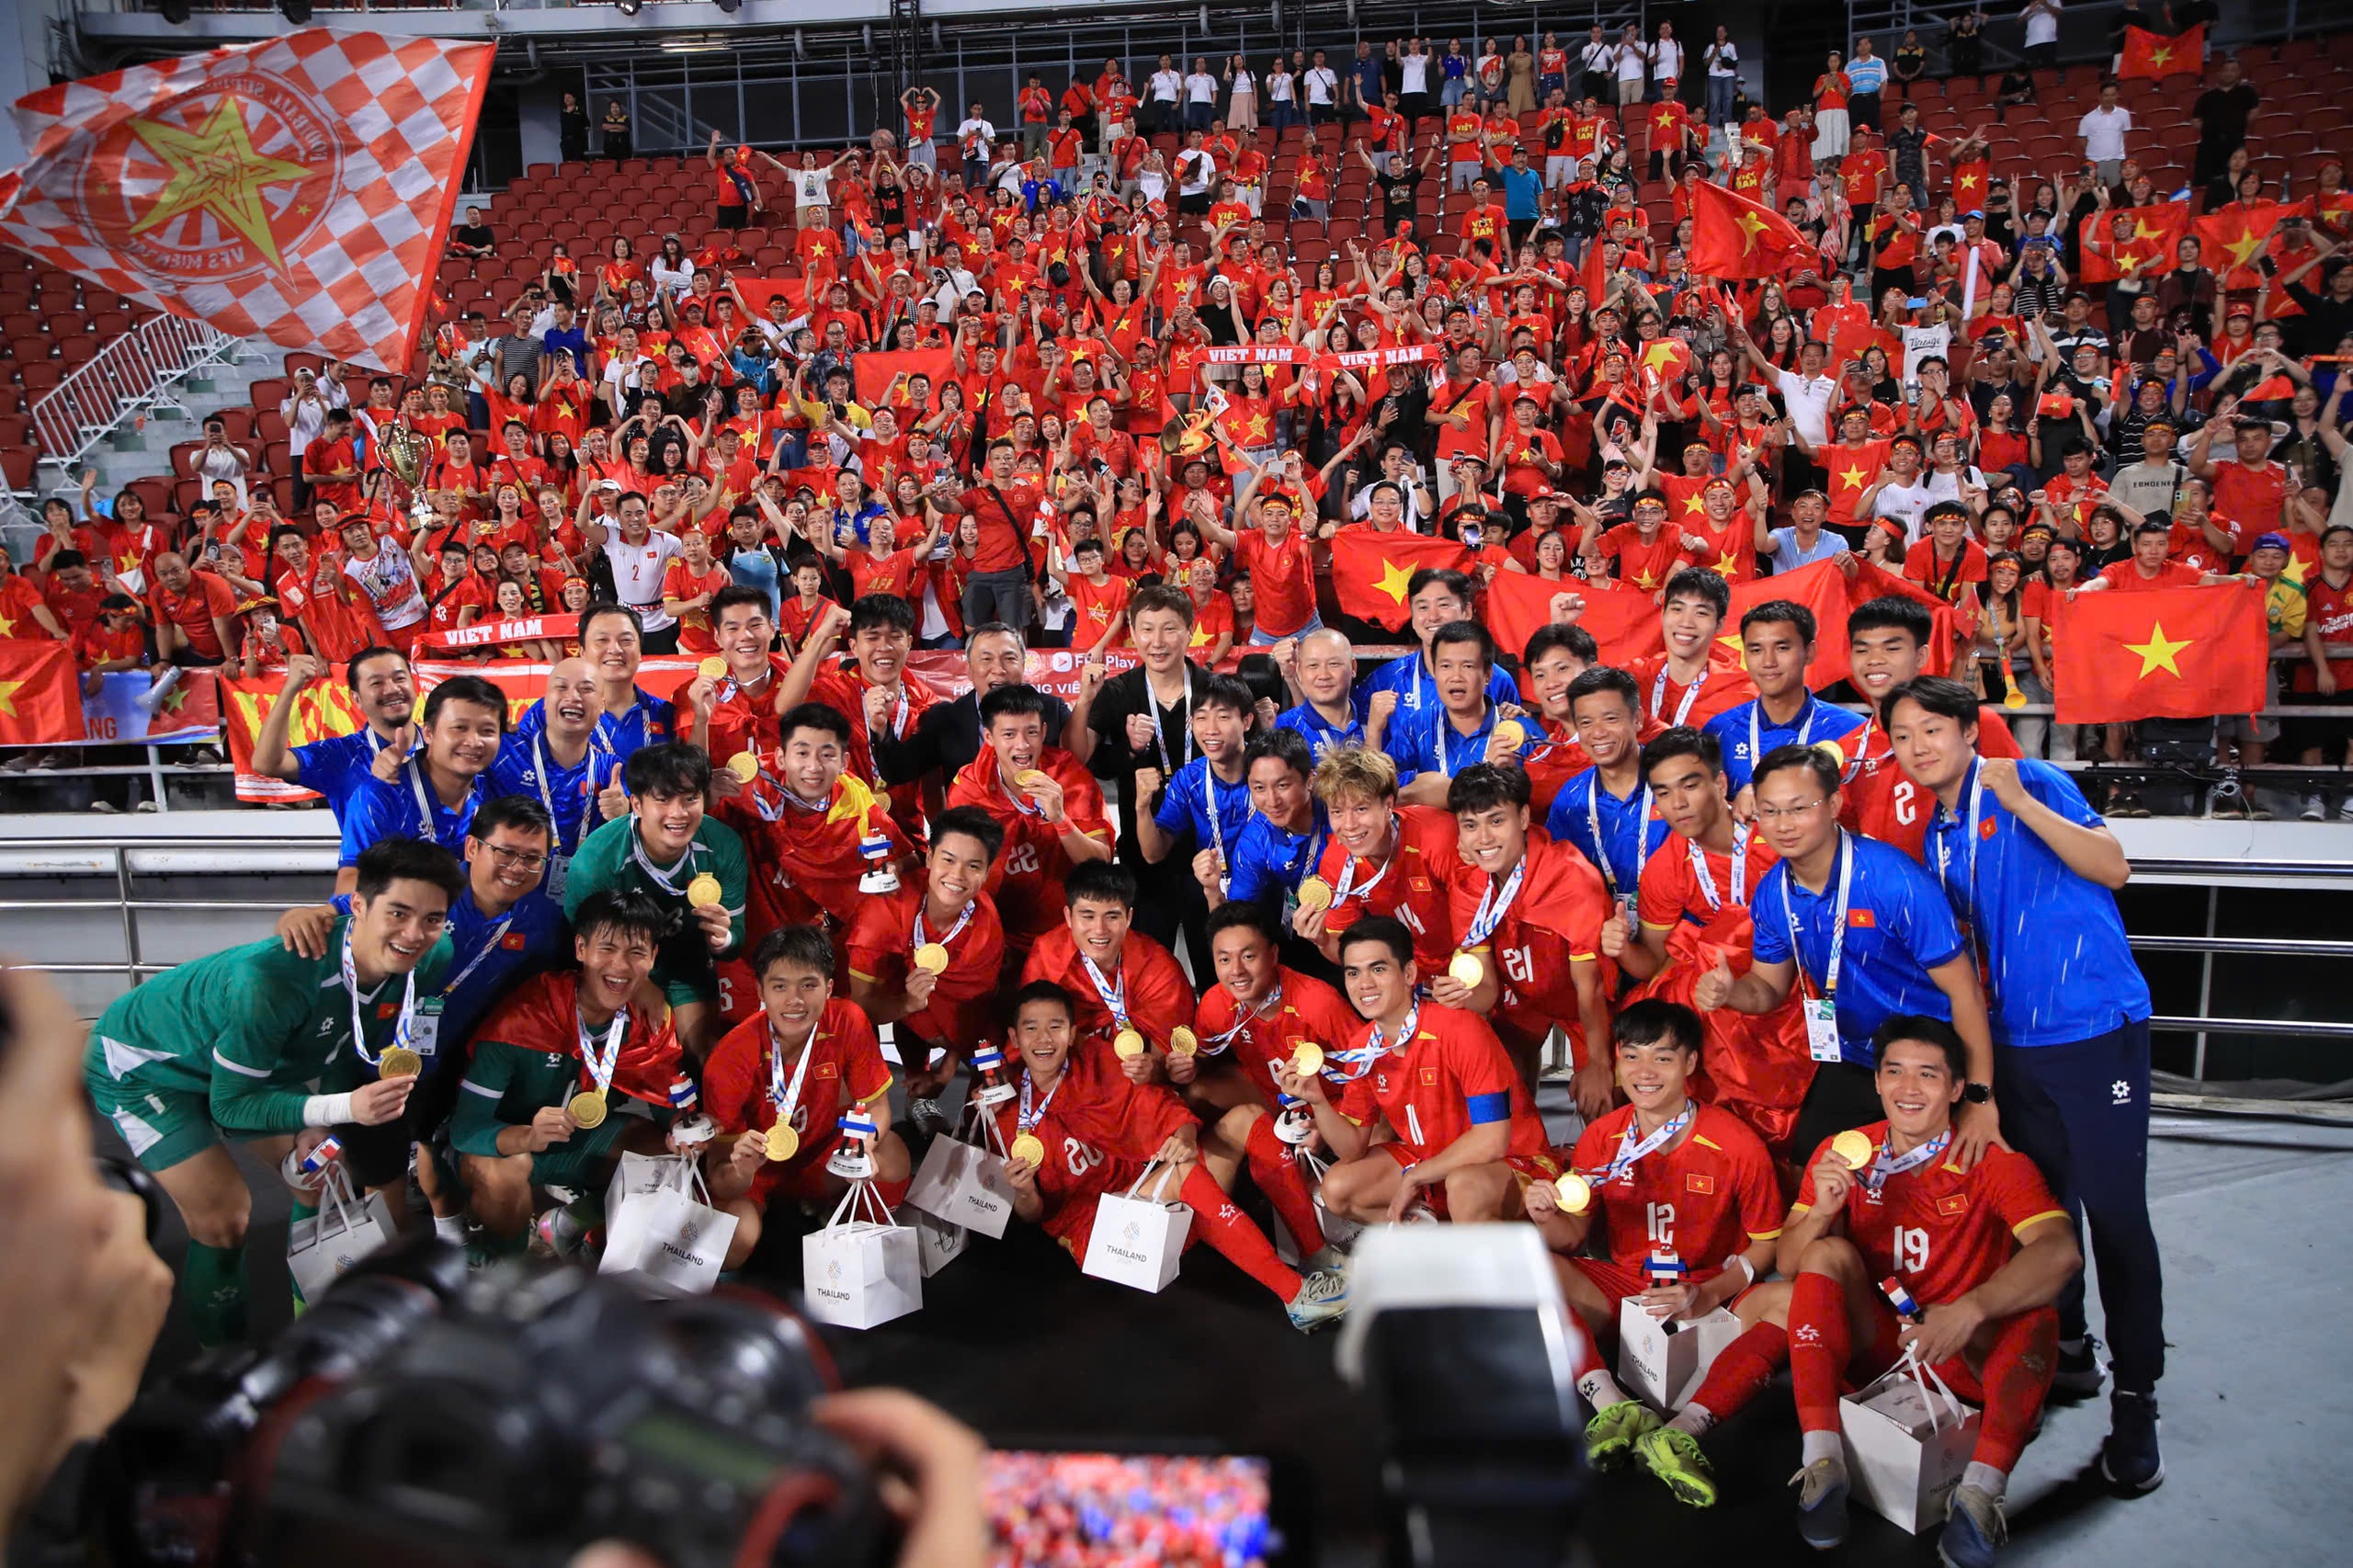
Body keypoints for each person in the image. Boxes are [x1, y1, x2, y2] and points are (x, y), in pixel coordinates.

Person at [1884, 676, 2165, 1489]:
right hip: (2015, 1044)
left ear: (1969, 731)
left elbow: (2113, 868)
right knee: (2043, 1212)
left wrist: (2020, 802)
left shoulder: (2029, 779)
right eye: (1902, 736)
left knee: (2116, 1217)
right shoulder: (1937, 834)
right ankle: (2068, 1350)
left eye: (1932, 729)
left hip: (2093, 1032)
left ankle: (2137, 1400)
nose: (1918, 748)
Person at [81, 839, 460, 1345]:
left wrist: (320, 1125)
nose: (414, 934)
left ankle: (314, 1340)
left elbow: (353, 1044)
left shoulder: (429, 960)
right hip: (147, 1068)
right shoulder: (274, 978)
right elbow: (231, 1106)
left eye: (432, 919)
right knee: (224, 1218)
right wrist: (343, 1107)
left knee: (321, 1177)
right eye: (398, 913)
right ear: (359, 905)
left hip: (254, 1064)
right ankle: (221, 1362)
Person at [1779, 1016, 2080, 1562]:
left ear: (1957, 1088)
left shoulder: (1993, 1161)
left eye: (1928, 1074)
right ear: (1876, 1081)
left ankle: (1981, 1493)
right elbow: (1788, 1262)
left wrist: (1969, 1309)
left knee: (2039, 1311)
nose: (1908, 1088)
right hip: (1880, 1346)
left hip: (1958, 1353)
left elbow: (2061, 1252)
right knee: (1824, 1253)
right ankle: (1823, 1461)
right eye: (1895, 1071)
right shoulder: (1844, 1151)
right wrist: (1820, 1212)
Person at [1526, 1000, 1793, 1508]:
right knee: (1529, 1268)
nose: (1644, 1072)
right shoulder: (1603, 1136)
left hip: (1711, 1290)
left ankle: (1684, 1430)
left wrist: (1709, 1292)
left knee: (1794, 1300)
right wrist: (1546, 1217)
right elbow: (1573, 1237)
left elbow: (1768, 1242)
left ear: (1690, 1063)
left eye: (1662, 1058)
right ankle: (1613, 1405)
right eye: (1632, 1057)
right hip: (1630, 1288)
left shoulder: (1736, 1143)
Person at [1696, 744, 2001, 1164]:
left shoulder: (1893, 880)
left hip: (1929, 1057)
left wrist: (1979, 1096)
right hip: (1854, 1054)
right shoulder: (1773, 892)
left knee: (1941, 1175)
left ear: (1835, 805)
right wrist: (1729, 992)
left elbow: (1965, 992)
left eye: (1799, 808)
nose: (1783, 824)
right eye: (1770, 811)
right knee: (1811, 1168)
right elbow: (1768, 988)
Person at [994, 980, 1347, 1331]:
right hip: (1106, 1239)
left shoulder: (1095, 1061)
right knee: (1181, 1173)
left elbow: (1155, 1102)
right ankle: (1298, 1296)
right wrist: (1024, 1192)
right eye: (1031, 1028)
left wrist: (1184, 1134)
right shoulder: (1005, 1111)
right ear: (1014, 1038)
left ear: (1072, 1034)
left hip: (1147, 1192)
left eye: (1055, 1026)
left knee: (1249, 1118)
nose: (1044, 1039)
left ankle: (1315, 1253)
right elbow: (1034, 1214)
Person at [1606, 728, 1813, 1153]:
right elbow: (1653, 963)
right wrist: (1623, 948)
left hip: (1797, 980)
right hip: (1721, 990)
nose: (1678, 803)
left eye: (1690, 785)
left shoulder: (1774, 836)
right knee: (1660, 1001)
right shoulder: (1666, 866)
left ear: (1720, 783)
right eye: (1663, 793)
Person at [451, 890, 692, 1256]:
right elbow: (465, 1129)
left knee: (670, 1159)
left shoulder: (649, 1020)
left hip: (581, 1141)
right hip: (507, 1145)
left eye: (636, 953)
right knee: (506, 1173)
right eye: (607, 948)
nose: (620, 966)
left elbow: (668, 1104)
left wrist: (685, 1130)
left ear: (653, 957)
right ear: (581, 948)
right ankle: (503, 1268)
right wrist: (527, 1135)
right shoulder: (526, 1015)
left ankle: (571, 1225)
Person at [1284, 916, 1560, 1225]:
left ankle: (1474, 1243)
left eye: (1378, 969)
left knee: (1464, 1187)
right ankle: (1434, 1237)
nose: (1364, 984)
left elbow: (1492, 1140)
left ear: (1409, 973)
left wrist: (1417, 1176)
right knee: (1338, 1188)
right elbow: (1351, 1149)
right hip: (1434, 1163)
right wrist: (1318, 1100)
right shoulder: (1363, 1048)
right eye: (1353, 973)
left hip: (1510, 1161)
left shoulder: (1460, 1028)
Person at [701, 925, 910, 1269]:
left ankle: (848, 1234)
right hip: (758, 1171)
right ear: (760, 990)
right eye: (779, 986)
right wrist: (741, 1170)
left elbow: (876, 1106)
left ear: (829, 988)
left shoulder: (848, 1020)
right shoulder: (730, 1057)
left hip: (822, 1158)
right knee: (734, 1242)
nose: (794, 1000)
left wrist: (861, 1147)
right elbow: (720, 1176)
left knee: (893, 1156)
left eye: (808, 985)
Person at [1444, 762, 1615, 1109]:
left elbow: (1591, 987)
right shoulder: (1468, 886)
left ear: (1523, 818)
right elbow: (1487, 990)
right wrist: (1460, 997)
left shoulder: (1570, 878)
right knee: (1498, 1087)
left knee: (1601, 1105)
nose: (1484, 838)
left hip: (1583, 1005)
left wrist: (1599, 1064)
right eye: (1470, 825)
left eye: (1496, 821)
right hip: (1523, 1003)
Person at [563, 742, 747, 1060]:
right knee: (620, 1058)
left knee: (705, 1055)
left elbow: (736, 941)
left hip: (686, 965)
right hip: (618, 965)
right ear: (636, 804)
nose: (678, 813)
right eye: (663, 799)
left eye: (690, 799)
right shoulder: (597, 861)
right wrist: (639, 983)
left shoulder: (723, 846)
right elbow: (583, 946)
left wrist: (722, 939)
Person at [845, 806, 1009, 1100]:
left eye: (973, 866)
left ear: (987, 872)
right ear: (930, 857)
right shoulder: (885, 909)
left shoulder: (987, 922)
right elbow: (861, 1008)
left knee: (998, 1073)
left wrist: (946, 1070)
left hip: (959, 1028)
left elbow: (978, 1013)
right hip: (901, 1009)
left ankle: (976, 1119)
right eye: (948, 860)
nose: (957, 875)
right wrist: (907, 1003)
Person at [1841, 596, 2024, 858]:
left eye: (1891, 648)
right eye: (1862, 650)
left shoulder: (1977, 723)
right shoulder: (1848, 751)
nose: (1874, 660)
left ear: (1921, 656)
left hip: (1974, 879)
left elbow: (2022, 808)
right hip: (1895, 884)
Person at [947, 682, 1115, 958]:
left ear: (1044, 732)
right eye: (1009, 734)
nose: (1023, 745)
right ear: (989, 737)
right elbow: (955, 874)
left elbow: (1100, 863)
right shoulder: (969, 787)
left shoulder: (1069, 776)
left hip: (1064, 933)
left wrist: (1061, 820)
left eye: (1032, 732)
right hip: (994, 932)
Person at [335, 674, 506, 887]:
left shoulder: (497, 791)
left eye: (487, 731)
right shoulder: (381, 796)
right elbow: (348, 883)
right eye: (459, 728)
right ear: (428, 733)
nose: (474, 741)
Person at [1701, 599, 1868, 803]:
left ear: (1809, 652)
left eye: (1782, 648)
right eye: (1756, 650)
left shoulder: (1854, 731)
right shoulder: (1720, 731)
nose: (1768, 662)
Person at [245, 646, 415, 812]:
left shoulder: (432, 747)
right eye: (376, 683)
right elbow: (266, 764)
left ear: (414, 684)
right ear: (356, 699)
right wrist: (290, 689)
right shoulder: (341, 755)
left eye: (399, 679)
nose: (392, 689)